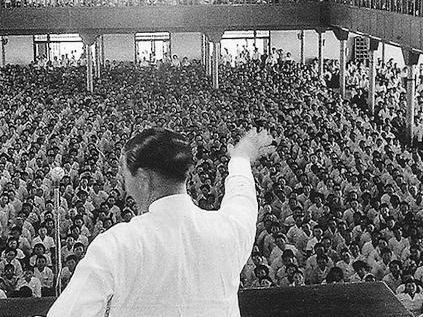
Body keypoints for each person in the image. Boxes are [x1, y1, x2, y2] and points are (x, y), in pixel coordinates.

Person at [47, 127, 274, 317]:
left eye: (125, 176)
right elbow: (241, 199)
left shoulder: (118, 244)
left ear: (144, 179)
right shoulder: (228, 230)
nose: (126, 187)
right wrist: (240, 159)